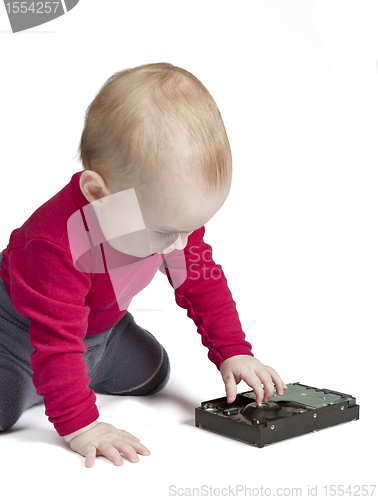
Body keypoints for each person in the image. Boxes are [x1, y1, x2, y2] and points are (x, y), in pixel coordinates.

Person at [0, 62, 287, 468]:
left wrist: (234, 352)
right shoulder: (56, 243)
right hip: (23, 330)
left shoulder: (168, 221)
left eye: (194, 227)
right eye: (168, 233)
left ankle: (69, 377)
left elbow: (202, 285)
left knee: (154, 373)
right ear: (99, 193)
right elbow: (56, 335)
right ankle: (49, 382)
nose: (184, 244)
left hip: (101, 331)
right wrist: (81, 424)